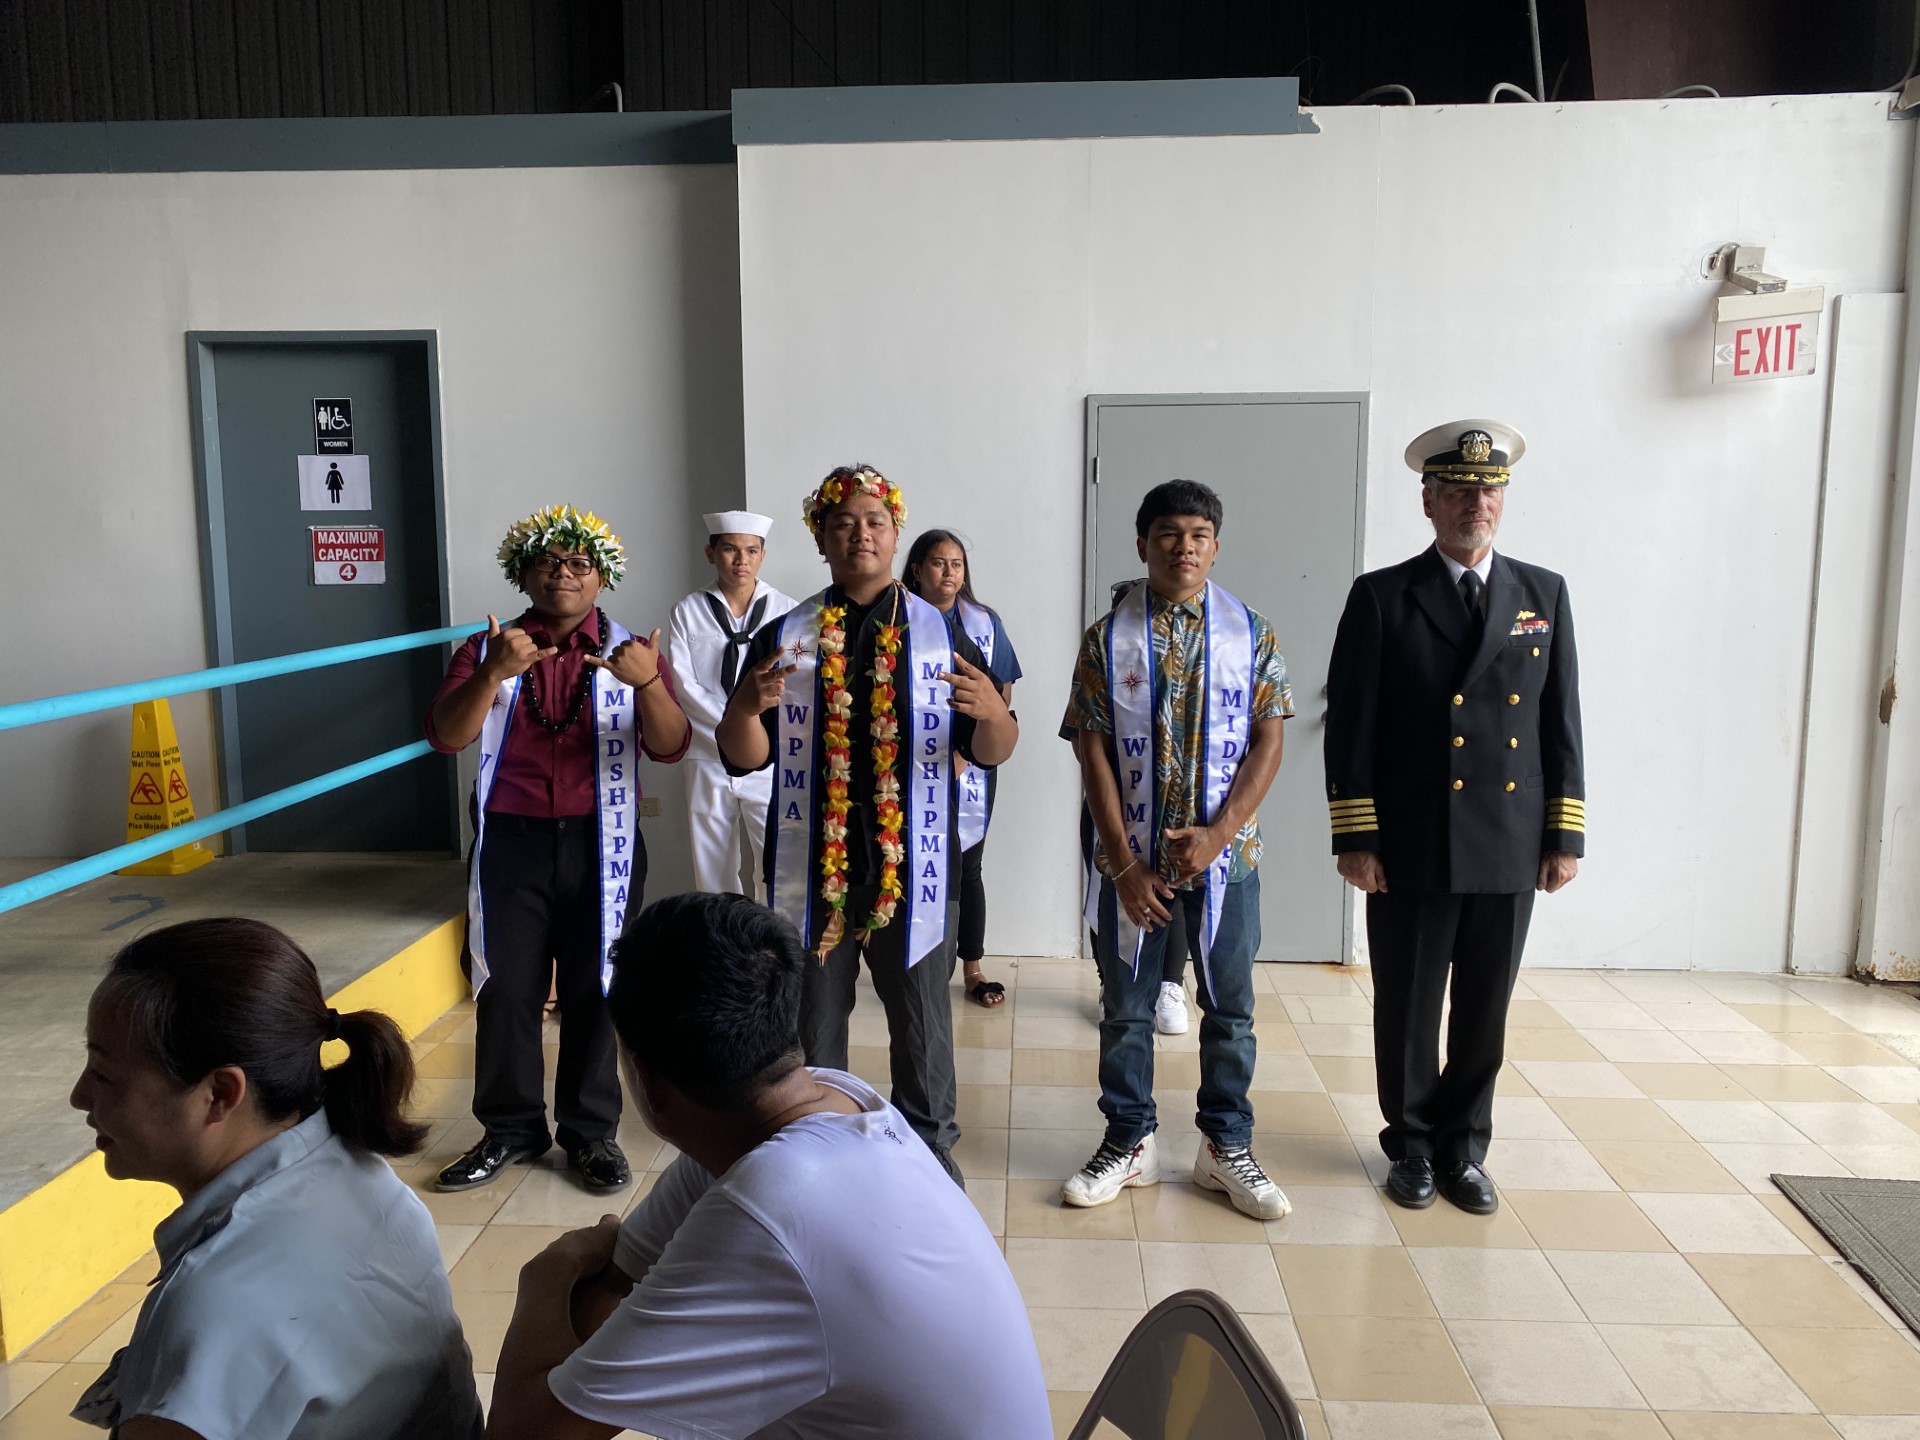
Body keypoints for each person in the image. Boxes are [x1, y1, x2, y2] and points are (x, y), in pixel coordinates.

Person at [484, 892, 1053, 1440]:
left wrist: (546, 1276)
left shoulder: (765, 1207)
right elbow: (616, 1283)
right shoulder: (830, 1100)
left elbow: (518, 1433)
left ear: (650, 1085)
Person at [717, 465, 1019, 1186]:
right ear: (821, 539)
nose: (861, 534)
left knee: (922, 1022)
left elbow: (991, 750)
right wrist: (741, 711)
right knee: (811, 1025)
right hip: (809, 867)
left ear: (895, 536)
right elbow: (745, 756)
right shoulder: (786, 634)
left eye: (875, 523)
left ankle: (931, 1156)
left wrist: (995, 714)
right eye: (843, 523)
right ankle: (819, 1156)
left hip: (915, 864)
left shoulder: (942, 632)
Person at [68, 918, 482, 1440]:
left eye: (105, 1075)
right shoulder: (360, 1172)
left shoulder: (218, 1304)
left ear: (220, 1093)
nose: (80, 1097)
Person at [1324, 419, 1585, 1216]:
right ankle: (1409, 1142)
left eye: (1490, 489)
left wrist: (1564, 833)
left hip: (1508, 841)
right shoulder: (1381, 596)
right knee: (1407, 1002)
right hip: (1411, 840)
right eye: (1461, 490)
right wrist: (1357, 837)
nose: (1478, 502)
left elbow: (1560, 721)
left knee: (1484, 1007)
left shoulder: (1543, 593)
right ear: (1428, 501)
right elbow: (1351, 727)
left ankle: (1463, 1148)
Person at [426, 504, 690, 1195]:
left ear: (602, 577)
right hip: (512, 842)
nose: (564, 575)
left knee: (595, 989)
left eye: (579, 564)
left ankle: (590, 1133)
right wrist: (489, 674)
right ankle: (509, 1129)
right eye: (548, 562)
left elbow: (669, 745)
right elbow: (448, 736)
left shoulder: (631, 650)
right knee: (505, 989)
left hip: (602, 842)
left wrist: (651, 682)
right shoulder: (492, 647)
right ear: (524, 574)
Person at [1059, 480, 1294, 1220]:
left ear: (1215, 545)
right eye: (1167, 533)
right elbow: (1091, 752)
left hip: (1227, 859)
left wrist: (1220, 833)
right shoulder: (1105, 638)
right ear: (1142, 544)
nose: (1183, 546)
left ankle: (1226, 1146)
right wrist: (1124, 865)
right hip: (1132, 859)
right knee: (1125, 1009)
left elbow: (1270, 738)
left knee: (1231, 1010)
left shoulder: (1252, 633)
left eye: (1198, 533)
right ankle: (1130, 1140)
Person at [903, 527, 1023, 1008]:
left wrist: (959, 755)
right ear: (916, 568)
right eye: (937, 562)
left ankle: (971, 970)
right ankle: (916, 962)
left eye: (956, 563)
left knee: (965, 864)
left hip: (968, 762)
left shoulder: (983, 624)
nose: (949, 572)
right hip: (905, 761)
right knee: (908, 860)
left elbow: (1001, 695)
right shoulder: (897, 617)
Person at [666, 510, 798, 900]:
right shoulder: (687, 611)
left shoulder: (787, 611)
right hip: (707, 752)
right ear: (711, 553)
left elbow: (795, 680)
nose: (741, 560)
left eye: (750, 551)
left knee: (776, 860)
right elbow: (682, 683)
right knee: (712, 865)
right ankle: (722, 953)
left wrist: (753, 726)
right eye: (729, 550)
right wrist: (730, 726)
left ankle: (773, 947)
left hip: (769, 754)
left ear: (762, 556)